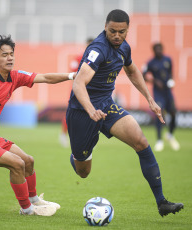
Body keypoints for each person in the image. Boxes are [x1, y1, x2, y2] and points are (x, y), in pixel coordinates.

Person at [66, 9, 183, 217]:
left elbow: (132, 70)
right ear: (105, 27)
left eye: (122, 32)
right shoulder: (98, 49)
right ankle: (77, 156)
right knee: (83, 172)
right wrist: (91, 110)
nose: (117, 35)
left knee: (141, 142)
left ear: (127, 30)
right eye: (112, 31)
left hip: (107, 106)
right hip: (82, 112)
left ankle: (162, 202)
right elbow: (78, 83)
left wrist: (150, 99)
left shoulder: (123, 48)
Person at [0, 35, 75, 216]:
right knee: (17, 164)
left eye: (11, 54)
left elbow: (45, 78)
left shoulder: (15, 77)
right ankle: (27, 210)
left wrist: (72, 75)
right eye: (4, 55)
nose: (10, 58)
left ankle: (35, 200)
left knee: (28, 161)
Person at [142, 43, 180, 152]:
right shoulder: (150, 62)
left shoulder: (168, 60)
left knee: (173, 112)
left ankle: (170, 135)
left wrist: (171, 80)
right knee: (160, 112)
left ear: (162, 49)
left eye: (160, 49)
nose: (159, 51)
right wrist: (154, 81)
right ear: (153, 51)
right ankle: (159, 140)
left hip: (167, 91)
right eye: (156, 49)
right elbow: (143, 75)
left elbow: (171, 73)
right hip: (158, 92)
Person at [59, 37, 94, 148]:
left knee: (90, 114)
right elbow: (73, 73)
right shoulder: (79, 58)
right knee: (71, 113)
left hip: (92, 91)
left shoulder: (98, 58)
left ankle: (89, 139)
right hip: (78, 90)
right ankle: (63, 135)